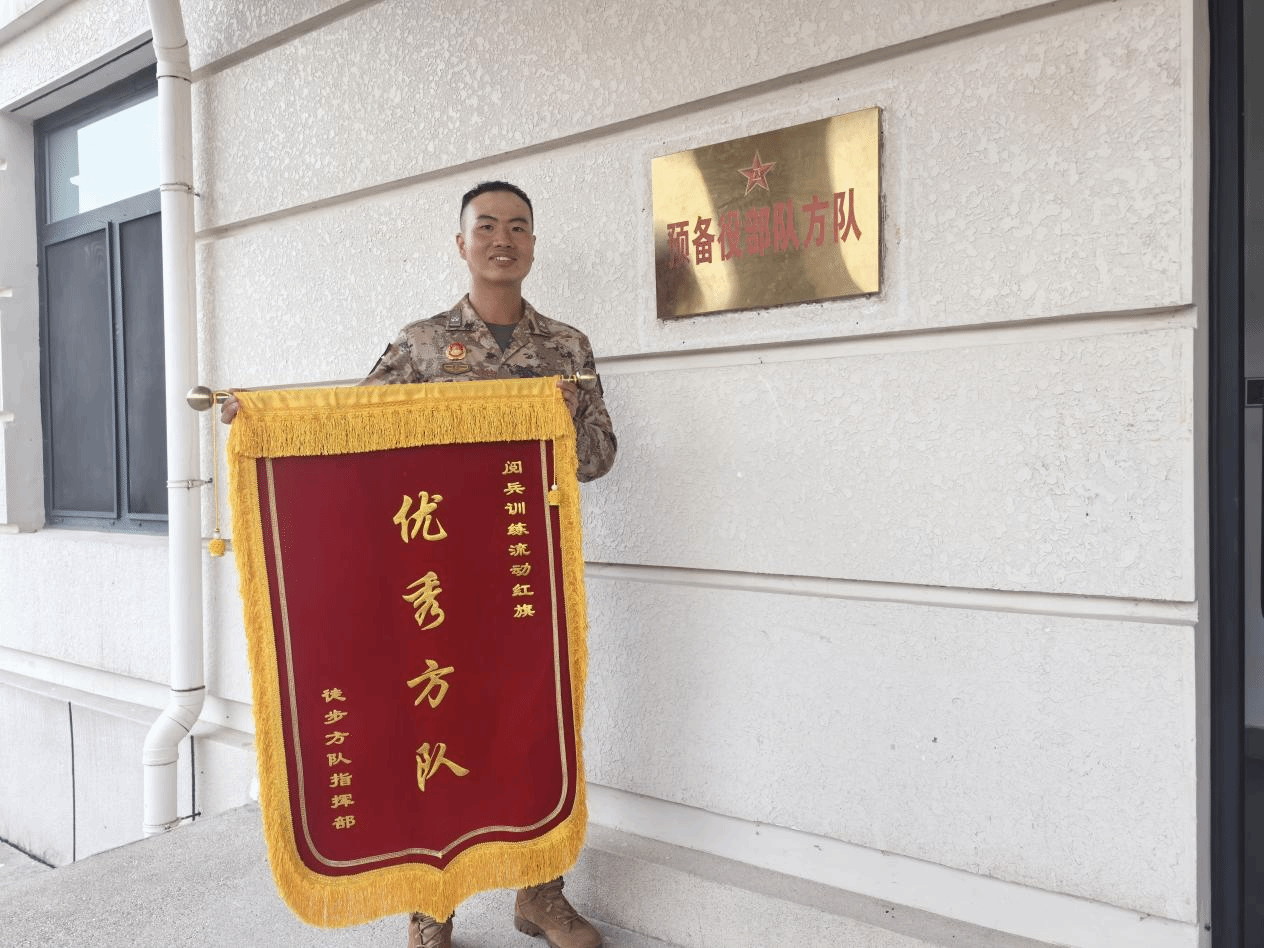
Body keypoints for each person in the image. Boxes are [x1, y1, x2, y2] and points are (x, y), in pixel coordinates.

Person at [221, 181, 614, 948]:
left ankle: (541, 893)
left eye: (519, 228)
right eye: (487, 226)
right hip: (439, 576)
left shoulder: (568, 348)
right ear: (462, 244)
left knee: (534, 727)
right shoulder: (423, 345)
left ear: (534, 246)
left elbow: (599, 457)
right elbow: (348, 437)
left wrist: (565, 420)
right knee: (440, 728)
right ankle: (432, 909)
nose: (503, 240)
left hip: (526, 574)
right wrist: (263, 424)